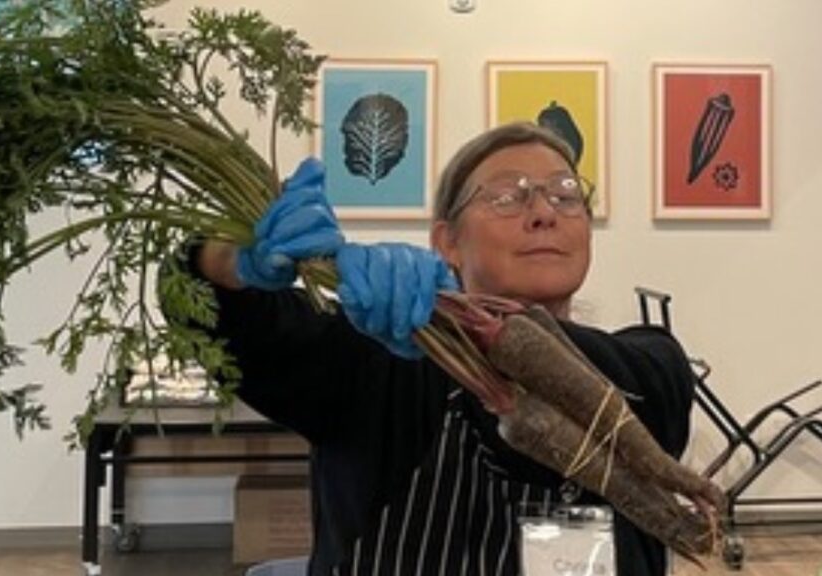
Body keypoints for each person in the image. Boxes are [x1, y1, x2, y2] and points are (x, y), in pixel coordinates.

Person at [182, 122, 696, 576]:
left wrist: (481, 328)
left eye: (565, 194)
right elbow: (221, 313)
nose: (544, 211)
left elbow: (615, 389)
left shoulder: (648, 363)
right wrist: (228, 259)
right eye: (507, 196)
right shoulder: (369, 360)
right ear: (446, 241)